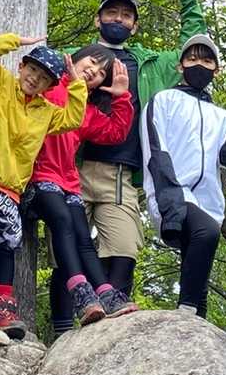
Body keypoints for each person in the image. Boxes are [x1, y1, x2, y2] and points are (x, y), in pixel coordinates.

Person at [76, 0, 209, 299]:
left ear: (134, 26)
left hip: (121, 174)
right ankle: (63, 326)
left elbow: (191, 52)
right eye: (112, 13)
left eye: (126, 15)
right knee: (66, 255)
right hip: (71, 168)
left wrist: (189, 4)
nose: (118, 19)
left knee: (123, 250)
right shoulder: (76, 57)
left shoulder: (149, 63)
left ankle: (115, 320)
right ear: (97, 20)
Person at [0, 33, 88, 339]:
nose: (34, 78)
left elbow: (73, 118)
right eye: (32, 69)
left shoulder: (46, 111)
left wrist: (76, 82)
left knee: (7, 247)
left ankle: (4, 309)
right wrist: (16, 40)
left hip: (11, 188)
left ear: (49, 87)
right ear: (22, 66)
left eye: (44, 78)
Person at [24, 44, 140, 334]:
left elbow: (116, 132)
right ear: (75, 58)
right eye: (92, 61)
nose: (93, 71)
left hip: (68, 182)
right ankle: (80, 292)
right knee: (63, 221)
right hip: (38, 177)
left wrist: (122, 95)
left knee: (84, 238)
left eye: (101, 73)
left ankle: (105, 294)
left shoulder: (86, 110)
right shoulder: (48, 87)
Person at [140, 33, 226, 317]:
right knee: (206, 233)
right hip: (171, 194)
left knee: (199, 283)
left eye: (207, 61)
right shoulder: (163, 100)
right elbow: (156, 150)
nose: (199, 64)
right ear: (180, 66)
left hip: (210, 204)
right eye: (192, 58)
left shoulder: (220, 115)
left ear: (216, 70)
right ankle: (185, 316)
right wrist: (170, 199)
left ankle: (194, 326)